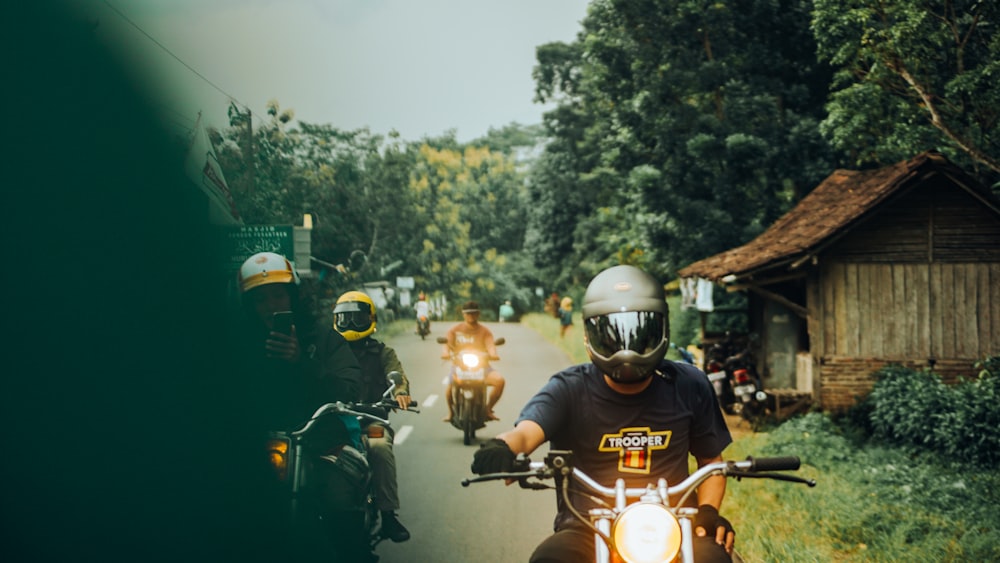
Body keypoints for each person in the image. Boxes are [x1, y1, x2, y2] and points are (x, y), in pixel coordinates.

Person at [471, 265, 735, 563]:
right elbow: (526, 432)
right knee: (549, 559)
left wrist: (708, 512)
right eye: (612, 334)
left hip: (673, 524)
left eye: (639, 333)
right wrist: (504, 446)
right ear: (590, 334)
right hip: (586, 526)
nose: (626, 349)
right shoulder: (568, 388)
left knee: (715, 559)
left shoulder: (689, 384)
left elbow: (711, 463)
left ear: (660, 329)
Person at [234, 252, 370, 561]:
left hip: (320, 442)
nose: (272, 306)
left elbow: (349, 387)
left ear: (293, 295)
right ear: (248, 306)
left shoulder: (322, 338)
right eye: (261, 299)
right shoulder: (235, 344)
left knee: (340, 500)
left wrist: (302, 363)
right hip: (254, 446)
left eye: (278, 294)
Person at [333, 290, 413, 544]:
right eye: (345, 319)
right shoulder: (330, 351)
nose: (351, 325)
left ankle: (388, 516)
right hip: (334, 421)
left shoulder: (382, 352)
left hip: (372, 419)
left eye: (358, 318)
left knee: (379, 447)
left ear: (370, 319)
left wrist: (400, 393)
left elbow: (397, 375)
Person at [441, 301, 506, 422]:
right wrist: (445, 353)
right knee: (450, 387)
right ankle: (451, 412)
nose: (471, 316)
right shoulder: (454, 330)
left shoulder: (485, 331)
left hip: (482, 367)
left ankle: (488, 409)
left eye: (474, 313)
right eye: (468, 313)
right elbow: (447, 343)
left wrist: (493, 354)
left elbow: (490, 344)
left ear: (478, 314)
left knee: (500, 381)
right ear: (463, 314)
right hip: (459, 366)